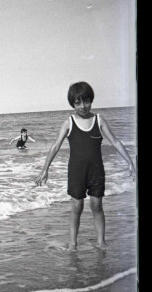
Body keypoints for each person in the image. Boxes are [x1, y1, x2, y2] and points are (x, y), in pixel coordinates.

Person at [34, 82, 136, 250]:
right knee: (77, 206)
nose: (83, 106)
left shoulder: (98, 120)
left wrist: (130, 162)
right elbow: (55, 146)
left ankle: (101, 242)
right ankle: (73, 244)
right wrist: (45, 169)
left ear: (91, 100)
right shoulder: (69, 122)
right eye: (78, 103)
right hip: (76, 172)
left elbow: (116, 142)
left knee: (97, 205)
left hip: (96, 171)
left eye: (86, 101)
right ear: (72, 104)